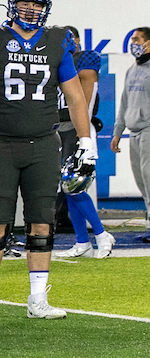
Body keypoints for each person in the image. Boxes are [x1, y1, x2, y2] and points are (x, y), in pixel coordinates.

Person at [0, 0, 95, 320]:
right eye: (26, 3)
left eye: (37, 4)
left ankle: (38, 299)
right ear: (12, 4)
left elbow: (76, 95)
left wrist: (87, 140)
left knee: (41, 223)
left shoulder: (57, 40)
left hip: (43, 144)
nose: (31, 9)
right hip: (0, 143)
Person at [55, 26, 114, 259]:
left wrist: (84, 135)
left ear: (77, 40)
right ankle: (82, 242)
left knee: (75, 185)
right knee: (67, 188)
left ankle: (101, 234)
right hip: (58, 128)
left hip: (78, 128)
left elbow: (85, 101)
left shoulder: (85, 59)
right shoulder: (54, 62)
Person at [111, 26, 150, 243]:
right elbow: (124, 103)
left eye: (137, 39)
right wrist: (118, 131)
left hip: (148, 131)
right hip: (135, 132)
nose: (132, 43)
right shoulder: (131, 70)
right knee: (142, 182)